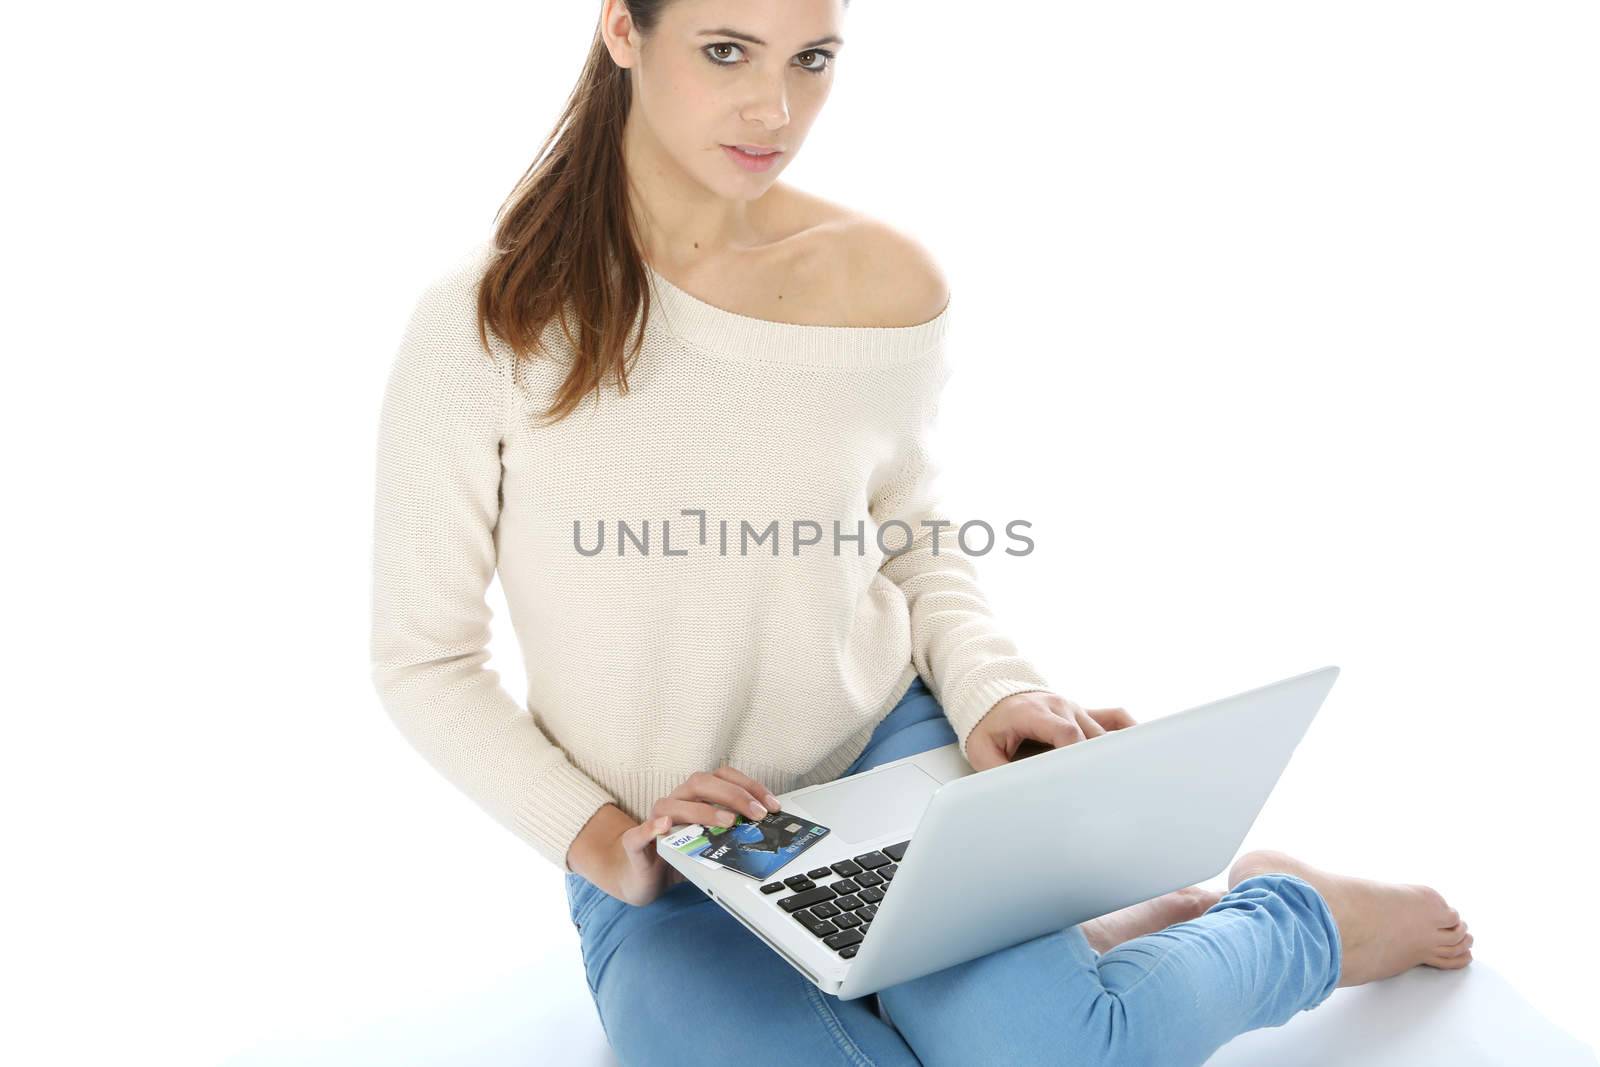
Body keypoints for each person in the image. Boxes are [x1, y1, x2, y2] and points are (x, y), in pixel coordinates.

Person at [369, 2, 1472, 1063]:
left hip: (880, 771)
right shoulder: (484, 321)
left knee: (1047, 1055)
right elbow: (424, 659)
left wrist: (993, 689)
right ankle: (1112, 941)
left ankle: (1295, 917)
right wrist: (607, 839)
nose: (773, 109)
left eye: (811, 58)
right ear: (622, 29)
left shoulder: (875, 281)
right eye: (725, 51)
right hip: (668, 858)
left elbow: (906, 528)